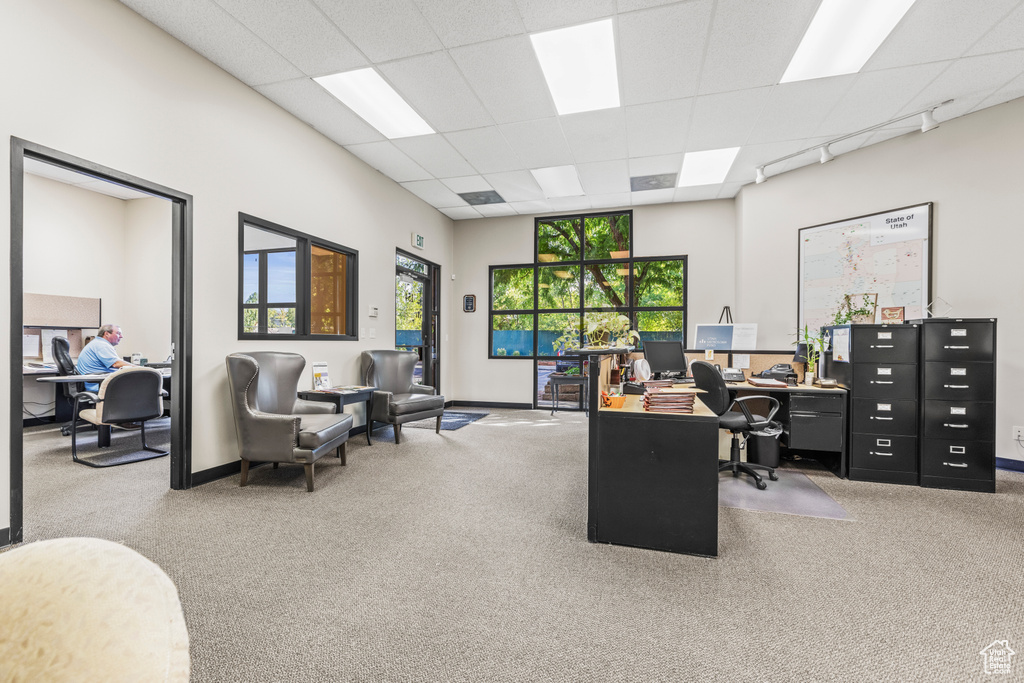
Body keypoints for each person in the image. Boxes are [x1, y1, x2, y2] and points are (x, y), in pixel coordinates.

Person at [76, 325, 129, 392]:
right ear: (106, 334)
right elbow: (116, 363)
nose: (121, 336)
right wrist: (140, 368)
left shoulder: (97, 343)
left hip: (99, 382)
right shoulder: (101, 345)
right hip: (99, 385)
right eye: (118, 333)